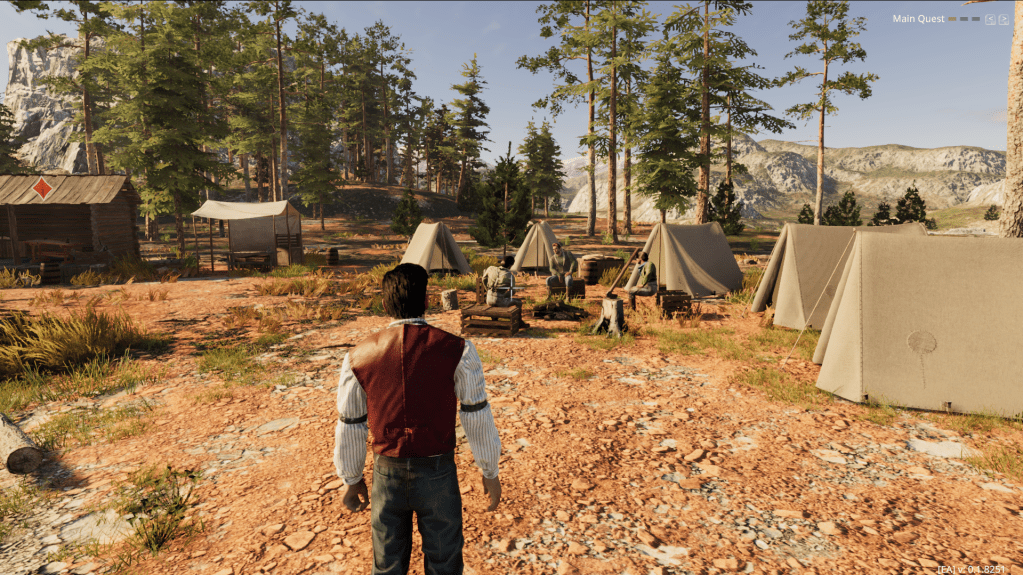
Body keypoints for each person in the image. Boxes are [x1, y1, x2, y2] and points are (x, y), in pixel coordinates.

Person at [333, 263, 502, 575]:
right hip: (438, 472)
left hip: (387, 473)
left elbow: (351, 423)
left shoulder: (357, 356)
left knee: (387, 565)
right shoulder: (458, 349)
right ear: (427, 301)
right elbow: (476, 414)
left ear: (385, 305)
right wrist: (489, 469)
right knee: (445, 562)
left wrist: (351, 477)